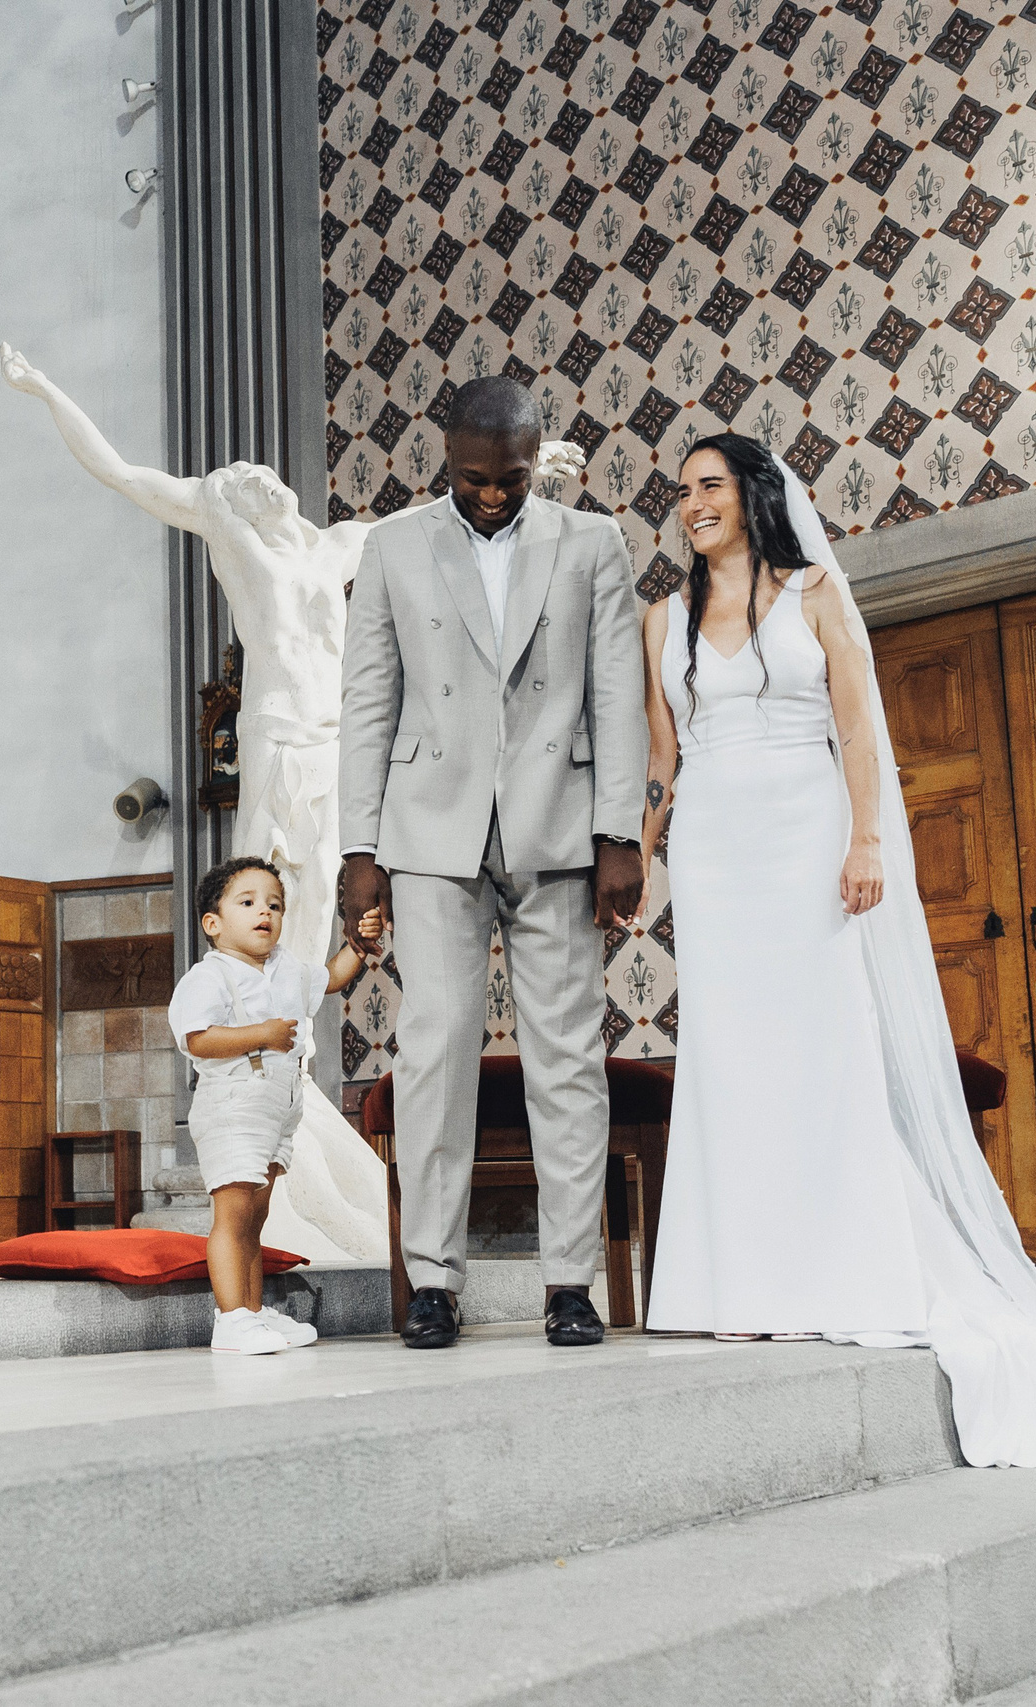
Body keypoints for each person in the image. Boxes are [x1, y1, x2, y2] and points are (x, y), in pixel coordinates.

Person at [639, 432, 1036, 1468]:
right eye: (682, 491)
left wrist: (865, 838)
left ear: (752, 493)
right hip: (715, 845)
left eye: (709, 485)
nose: (691, 504)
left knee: (821, 1045)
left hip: (807, 827)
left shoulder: (816, 593)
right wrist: (640, 857)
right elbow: (662, 755)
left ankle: (837, 1268)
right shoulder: (662, 620)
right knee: (732, 1055)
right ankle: (740, 1285)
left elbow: (859, 731)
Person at [0, 341, 427, 1267]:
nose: (250, 481)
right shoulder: (226, 530)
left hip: (334, 745)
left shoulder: (334, 546)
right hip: (275, 735)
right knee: (264, 902)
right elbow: (119, 471)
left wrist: (534, 481)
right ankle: (267, 1082)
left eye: (258, 476)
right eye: (235, 479)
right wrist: (46, 387)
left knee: (315, 911)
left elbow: (428, 515)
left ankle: (295, 1074)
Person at [338, 374, 648, 1352]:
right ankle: (433, 1279)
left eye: (509, 479)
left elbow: (616, 690)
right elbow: (368, 701)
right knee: (434, 1052)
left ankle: (569, 1282)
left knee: (567, 1055)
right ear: (447, 455)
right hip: (431, 830)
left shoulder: (591, 543)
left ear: (534, 458)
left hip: (558, 823)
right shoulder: (392, 546)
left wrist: (620, 833)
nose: (489, 495)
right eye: (473, 478)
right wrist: (358, 847)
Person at [169, 856, 382, 1354]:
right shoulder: (210, 976)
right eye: (247, 903)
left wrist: (358, 944)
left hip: (277, 1110)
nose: (265, 912)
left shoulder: (286, 968)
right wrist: (260, 1034)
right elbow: (198, 1039)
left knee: (256, 1215)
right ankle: (231, 1320)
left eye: (275, 905)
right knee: (233, 1214)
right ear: (213, 924)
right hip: (232, 1108)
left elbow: (331, 978)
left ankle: (252, 1310)